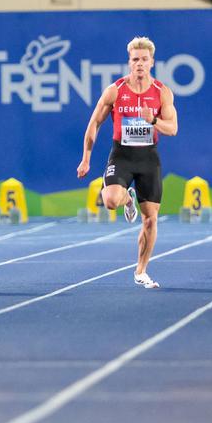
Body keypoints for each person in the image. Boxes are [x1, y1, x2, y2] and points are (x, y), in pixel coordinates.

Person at [77, 36, 178, 288]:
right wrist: (86, 158)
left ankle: (141, 271)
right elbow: (94, 123)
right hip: (121, 154)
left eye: (144, 59)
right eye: (135, 60)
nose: (140, 64)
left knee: (150, 219)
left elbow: (173, 128)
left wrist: (152, 120)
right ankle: (127, 198)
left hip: (148, 157)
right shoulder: (115, 90)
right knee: (110, 200)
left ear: (152, 62)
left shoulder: (162, 92)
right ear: (129, 62)